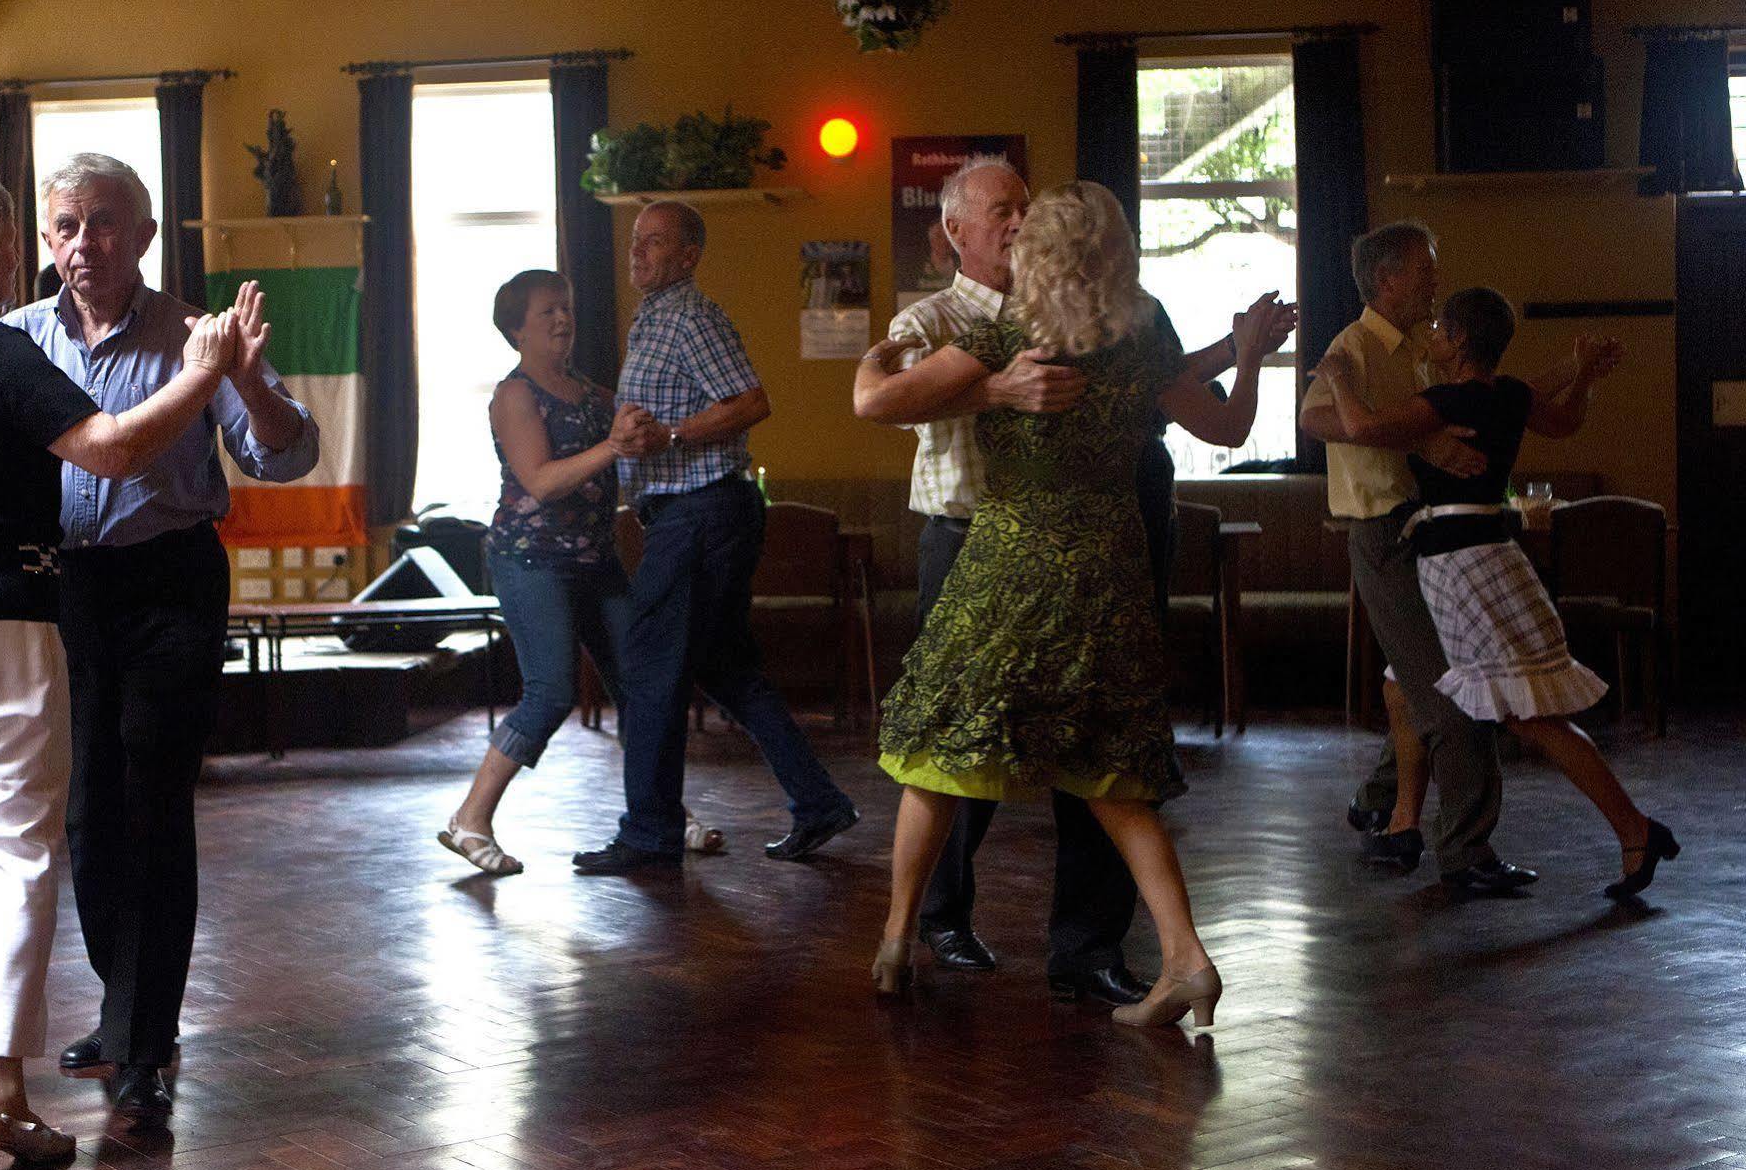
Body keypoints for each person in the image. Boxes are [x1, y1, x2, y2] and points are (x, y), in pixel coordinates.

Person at [0, 152, 320, 1117]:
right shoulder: (8, 336)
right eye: (63, 226)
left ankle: (144, 1035)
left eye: (103, 223)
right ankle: (122, 1004)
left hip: (168, 584)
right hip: (56, 590)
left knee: (149, 796)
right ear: (39, 243)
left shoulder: (197, 334)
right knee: (85, 813)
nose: (80, 243)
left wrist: (248, 381)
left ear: (142, 235)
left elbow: (286, 452)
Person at [861, 155, 1292, 1004]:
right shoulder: (1145, 331)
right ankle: (1185, 958)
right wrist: (1243, 353)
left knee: (939, 750)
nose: (1014, 228)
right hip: (1113, 564)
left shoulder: (1000, 333)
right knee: (1111, 769)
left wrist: (871, 362)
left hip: (1012, 564)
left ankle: (896, 940)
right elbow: (1232, 426)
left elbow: (877, 404)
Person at [1317, 288, 1675, 900]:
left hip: (1464, 568)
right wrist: (1581, 375)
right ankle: (1402, 818)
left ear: (1457, 343)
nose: (1430, 334)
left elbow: (1360, 427)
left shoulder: (1446, 400)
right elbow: (1564, 419)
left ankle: (1635, 827)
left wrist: (1339, 375)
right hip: (1488, 555)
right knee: (1401, 684)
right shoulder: (1506, 394)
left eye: (1438, 329)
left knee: (1533, 718)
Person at [571, 201, 858, 875]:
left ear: (689, 255)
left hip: (699, 516)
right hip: (697, 515)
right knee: (726, 668)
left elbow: (751, 402)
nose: (637, 252)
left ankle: (648, 833)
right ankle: (818, 803)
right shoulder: (654, 317)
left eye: (655, 242)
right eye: (635, 240)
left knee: (647, 669)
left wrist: (670, 436)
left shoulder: (690, 316)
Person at [439, 269, 719, 873]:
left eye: (565, 308)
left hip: (596, 560)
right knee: (552, 691)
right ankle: (470, 818)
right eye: (547, 313)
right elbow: (540, 481)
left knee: (642, 687)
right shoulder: (513, 395)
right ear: (516, 329)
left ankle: (663, 812)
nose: (563, 319)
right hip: (529, 560)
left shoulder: (595, 396)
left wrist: (647, 434)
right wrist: (615, 447)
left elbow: (627, 452)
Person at [1296, 222, 1537, 895]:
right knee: (1451, 697)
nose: (1435, 280)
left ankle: (1378, 800)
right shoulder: (1354, 346)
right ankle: (1464, 853)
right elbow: (1313, 419)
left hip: (1427, 532)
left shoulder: (1424, 349)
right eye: (1424, 269)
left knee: (1426, 680)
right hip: (1384, 533)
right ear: (1387, 281)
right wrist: (1420, 448)